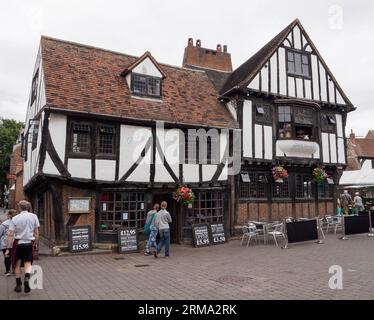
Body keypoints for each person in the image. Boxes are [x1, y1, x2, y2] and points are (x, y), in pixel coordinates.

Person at [5, 200, 40, 293]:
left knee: (17, 264)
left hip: (18, 243)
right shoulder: (34, 216)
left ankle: (18, 284)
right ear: (28, 207)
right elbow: (36, 232)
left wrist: (8, 248)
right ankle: (27, 277)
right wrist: (35, 243)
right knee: (27, 262)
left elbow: (11, 234)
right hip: (29, 243)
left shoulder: (15, 218)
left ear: (19, 208)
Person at [0, 210, 16, 276]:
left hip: (6, 242)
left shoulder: (4, 224)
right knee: (14, 256)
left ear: (9, 215)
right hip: (15, 241)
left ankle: (8, 271)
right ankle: (14, 269)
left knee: (7, 256)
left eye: (7, 214)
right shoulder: (17, 222)